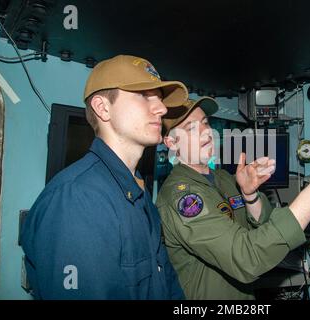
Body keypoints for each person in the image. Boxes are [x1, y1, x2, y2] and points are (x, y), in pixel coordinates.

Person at [156, 97, 310, 299]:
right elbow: (246, 258)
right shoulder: (181, 196)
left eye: (205, 122)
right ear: (171, 143)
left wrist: (249, 194)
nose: (205, 131)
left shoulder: (223, 178)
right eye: (190, 128)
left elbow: (264, 227)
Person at [21, 55, 188, 299]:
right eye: (144, 96)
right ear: (102, 107)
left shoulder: (139, 195)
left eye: (160, 99)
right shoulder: (77, 200)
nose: (162, 109)